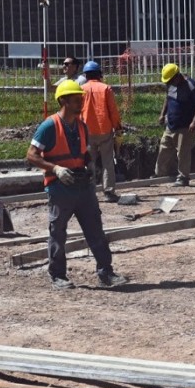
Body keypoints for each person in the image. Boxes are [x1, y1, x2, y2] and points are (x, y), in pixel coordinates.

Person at [26, 80, 129, 290]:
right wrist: (55, 169)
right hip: (60, 187)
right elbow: (31, 155)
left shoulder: (81, 125)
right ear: (63, 101)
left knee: (95, 230)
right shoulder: (49, 125)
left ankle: (106, 272)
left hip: (82, 187)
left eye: (80, 98)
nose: (80, 102)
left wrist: (90, 164)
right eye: (76, 99)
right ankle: (58, 275)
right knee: (58, 232)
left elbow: (83, 152)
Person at [79, 61, 122, 202]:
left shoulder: (81, 89)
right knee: (108, 162)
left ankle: (88, 191)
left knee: (88, 163)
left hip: (87, 131)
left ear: (86, 75)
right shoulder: (106, 88)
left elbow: (78, 111)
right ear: (99, 74)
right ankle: (109, 192)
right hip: (105, 130)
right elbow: (113, 111)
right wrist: (117, 126)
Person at [156, 63, 195, 186]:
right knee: (164, 148)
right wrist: (162, 114)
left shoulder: (191, 86)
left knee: (183, 152)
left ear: (177, 76)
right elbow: (167, 99)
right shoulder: (170, 85)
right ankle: (159, 174)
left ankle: (183, 177)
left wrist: (194, 122)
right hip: (171, 124)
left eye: (171, 80)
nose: (169, 83)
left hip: (186, 127)